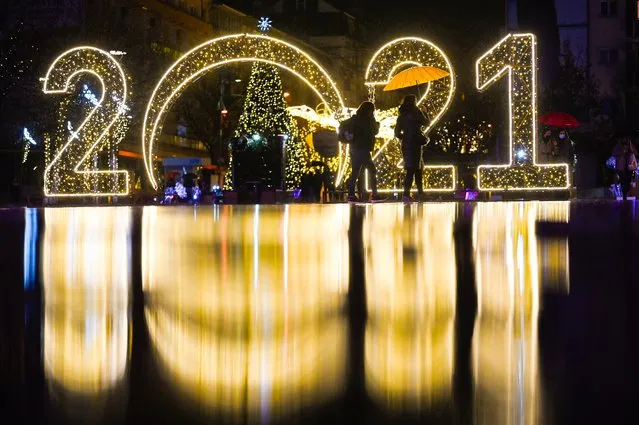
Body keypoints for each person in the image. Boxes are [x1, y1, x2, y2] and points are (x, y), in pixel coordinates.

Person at [343, 101, 382, 202]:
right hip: (363, 149)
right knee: (372, 170)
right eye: (372, 110)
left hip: (354, 148)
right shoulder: (367, 120)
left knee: (355, 172)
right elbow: (375, 131)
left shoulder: (355, 119)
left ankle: (351, 195)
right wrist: (376, 123)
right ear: (369, 110)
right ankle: (374, 195)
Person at [395, 95, 428, 202]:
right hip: (416, 144)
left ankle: (408, 193)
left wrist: (405, 137)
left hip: (406, 144)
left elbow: (397, 133)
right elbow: (426, 123)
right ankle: (417, 193)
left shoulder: (401, 116)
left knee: (411, 168)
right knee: (416, 169)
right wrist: (424, 111)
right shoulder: (417, 112)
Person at [612, 134, 638, 201]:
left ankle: (625, 193)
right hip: (621, 167)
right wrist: (621, 153)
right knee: (623, 181)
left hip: (629, 167)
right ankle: (624, 195)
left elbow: (635, 153)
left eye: (625, 138)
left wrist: (630, 147)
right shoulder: (618, 146)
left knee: (628, 181)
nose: (624, 139)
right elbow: (614, 154)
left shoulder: (630, 145)